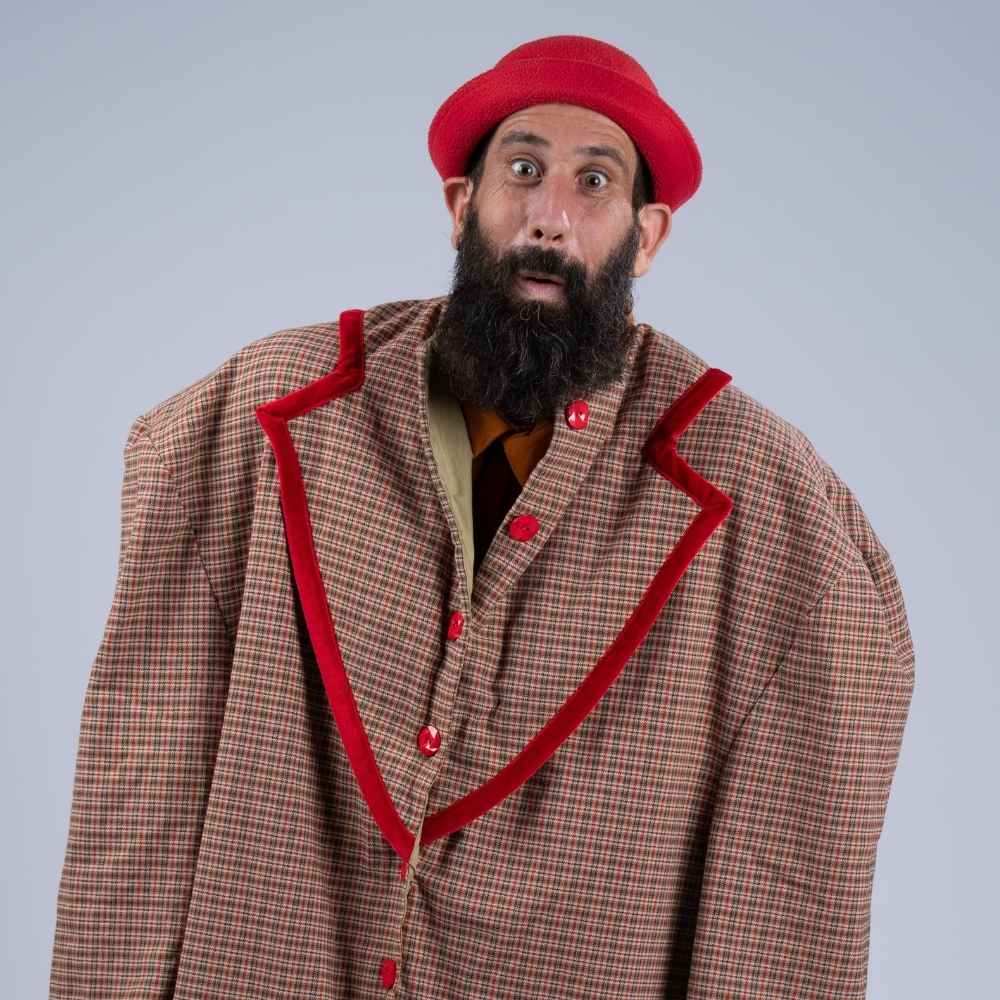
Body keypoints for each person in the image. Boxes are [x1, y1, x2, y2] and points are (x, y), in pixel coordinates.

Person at [49, 34, 915, 1000]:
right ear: (463, 205)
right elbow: (143, 778)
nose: (550, 216)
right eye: (524, 169)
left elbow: (788, 896)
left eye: (595, 182)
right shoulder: (259, 416)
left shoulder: (764, 503)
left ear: (648, 235)